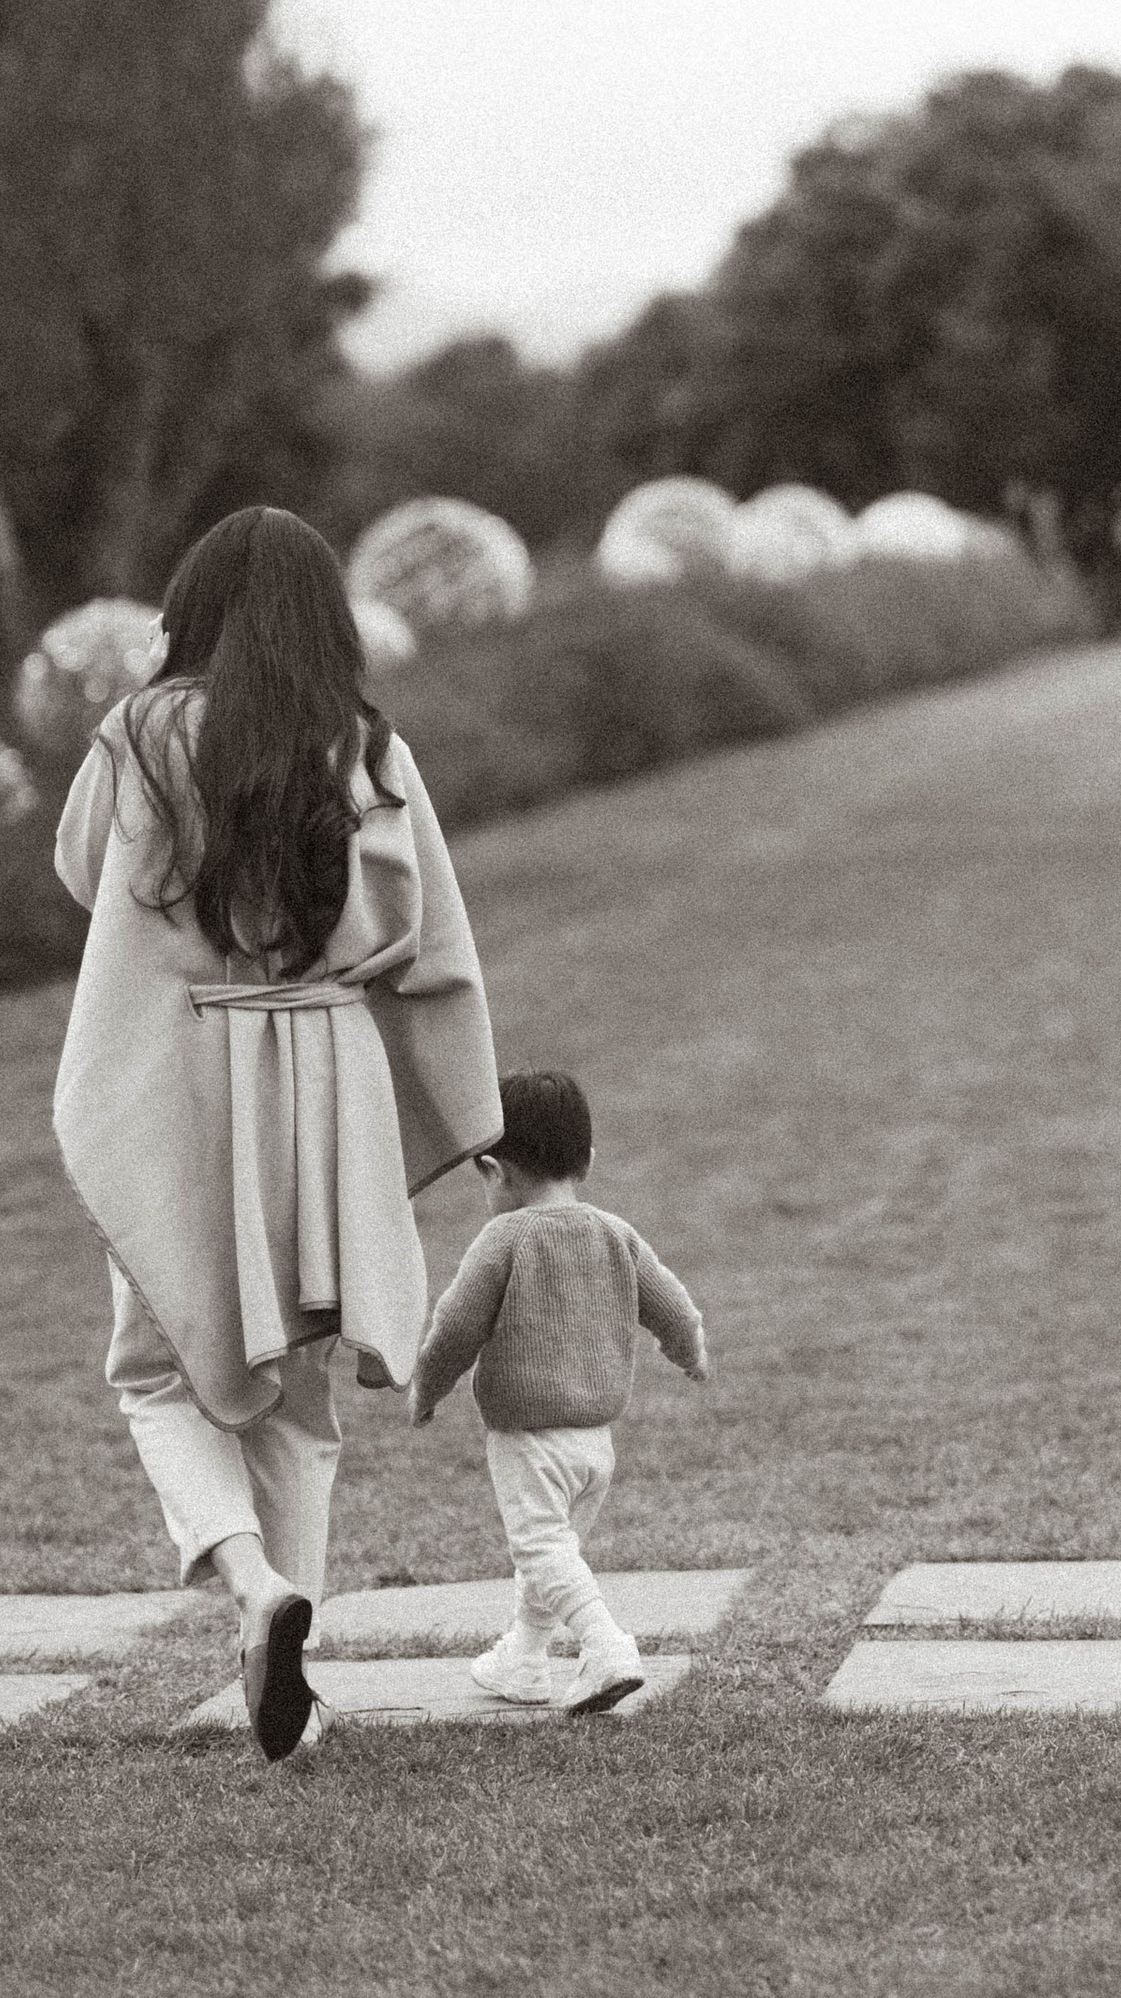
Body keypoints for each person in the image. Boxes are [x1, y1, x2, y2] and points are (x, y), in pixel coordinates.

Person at [53, 505, 500, 1762]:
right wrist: (469, 1116)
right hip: (326, 1073)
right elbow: (434, 936)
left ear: (190, 608)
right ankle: (291, 1697)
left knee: (156, 1361)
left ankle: (255, 1594)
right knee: (297, 1384)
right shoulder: (361, 744)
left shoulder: (144, 732)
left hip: (183, 1072)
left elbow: (84, 874)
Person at [409, 1066, 710, 1715]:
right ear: (589, 1160)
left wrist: (427, 1390)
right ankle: (521, 1658)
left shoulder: (504, 1238)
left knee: (542, 1551)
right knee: (553, 1553)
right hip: (595, 1447)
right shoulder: (614, 1233)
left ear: (497, 1171)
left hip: (528, 1440)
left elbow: (455, 1329)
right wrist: (689, 1355)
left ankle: (606, 1646)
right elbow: (674, 1310)